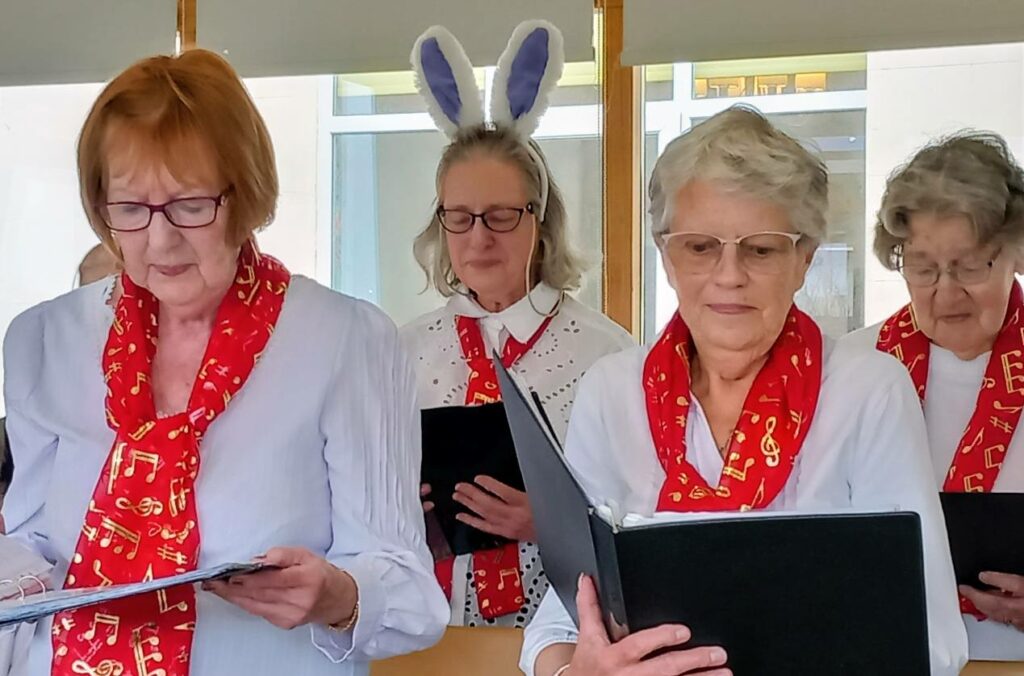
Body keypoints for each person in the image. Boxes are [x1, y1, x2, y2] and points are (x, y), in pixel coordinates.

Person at [1, 49, 447, 676]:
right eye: (129, 208)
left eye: (190, 205)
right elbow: (30, 545)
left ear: (245, 195)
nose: (160, 239)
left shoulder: (347, 341)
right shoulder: (42, 340)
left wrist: (339, 596)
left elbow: (410, 593)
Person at [520, 106, 968, 676]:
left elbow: (933, 638)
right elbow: (560, 624)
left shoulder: (868, 392)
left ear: (804, 260)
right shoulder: (611, 393)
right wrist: (578, 673)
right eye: (700, 246)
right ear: (666, 256)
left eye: (761, 249)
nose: (729, 275)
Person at [400, 23, 633, 629]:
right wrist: (398, 512)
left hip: (566, 633)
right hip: (429, 632)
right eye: (459, 216)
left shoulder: (607, 356)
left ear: (541, 221)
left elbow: (642, 513)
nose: (478, 238)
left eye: (501, 215)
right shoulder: (404, 352)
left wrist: (553, 523)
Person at [840, 132, 1024, 660]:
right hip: (882, 656)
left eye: (970, 265)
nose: (946, 291)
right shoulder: (852, 368)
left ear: (1015, 253)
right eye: (922, 267)